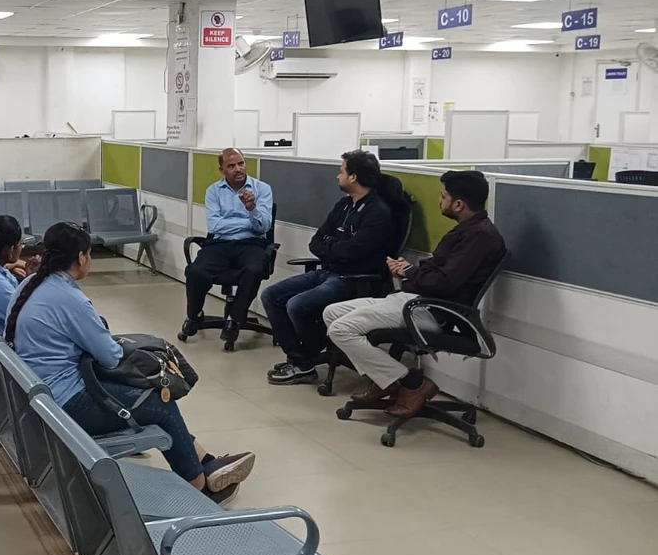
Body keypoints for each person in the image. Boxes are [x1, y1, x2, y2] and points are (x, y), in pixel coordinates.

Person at [7, 223, 256, 504]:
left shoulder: (30, 283)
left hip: (39, 394)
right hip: (66, 403)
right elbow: (110, 355)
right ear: (80, 257)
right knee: (160, 404)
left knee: (144, 398)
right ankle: (201, 488)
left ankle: (206, 461)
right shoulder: (69, 298)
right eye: (89, 253)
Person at [323, 170, 507, 418]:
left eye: (443, 196)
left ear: (459, 204)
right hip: (413, 300)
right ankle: (387, 379)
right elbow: (438, 271)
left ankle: (413, 383)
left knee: (340, 329)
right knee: (331, 313)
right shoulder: (466, 231)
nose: (440, 201)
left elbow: (444, 283)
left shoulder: (480, 237)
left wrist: (410, 272)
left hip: (430, 310)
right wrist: (408, 270)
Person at [263, 150, 395, 385]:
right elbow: (316, 241)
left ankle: (304, 360)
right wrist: (336, 247)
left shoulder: (378, 212)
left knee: (297, 305)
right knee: (271, 295)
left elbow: (352, 252)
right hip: (327, 271)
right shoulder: (344, 205)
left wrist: (332, 245)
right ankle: (301, 360)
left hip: (353, 279)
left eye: (341, 171)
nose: (337, 176)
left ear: (353, 177)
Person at [181, 148, 274, 348]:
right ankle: (195, 315)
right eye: (231, 166)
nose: (238, 169)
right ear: (222, 170)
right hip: (220, 244)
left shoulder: (262, 189)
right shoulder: (214, 191)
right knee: (195, 271)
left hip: (251, 244)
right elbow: (215, 226)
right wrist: (248, 223)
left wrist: (251, 209)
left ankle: (235, 319)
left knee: (254, 269)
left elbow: (264, 227)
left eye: (241, 163)